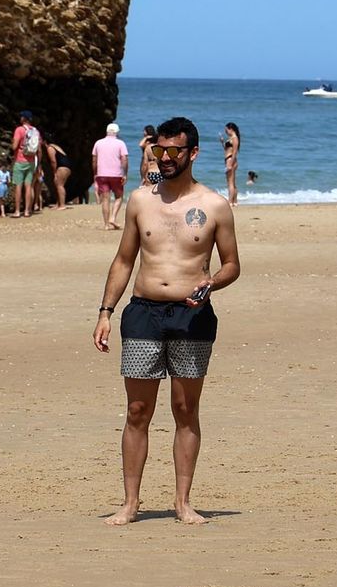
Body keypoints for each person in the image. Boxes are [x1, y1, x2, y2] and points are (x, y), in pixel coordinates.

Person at [93, 116, 242, 526]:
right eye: (160, 150)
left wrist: (210, 283)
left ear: (192, 153)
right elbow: (124, 260)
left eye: (174, 151)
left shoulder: (214, 205)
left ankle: (182, 502)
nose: (166, 157)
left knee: (184, 409)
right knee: (138, 410)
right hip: (143, 313)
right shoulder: (142, 200)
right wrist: (105, 311)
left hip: (192, 316)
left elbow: (232, 265)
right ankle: (129, 504)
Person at [90, 122, 129, 230]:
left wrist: (95, 173)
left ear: (106, 131)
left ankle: (106, 224)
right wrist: (125, 173)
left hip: (102, 174)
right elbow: (124, 159)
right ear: (117, 132)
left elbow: (94, 160)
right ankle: (113, 217)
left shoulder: (98, 143)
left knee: (105, 199)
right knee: (119, 196)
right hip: (116, 174)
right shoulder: (120, 143)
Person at [10, 110, 42, 217]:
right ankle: (27, 211)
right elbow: (39, 149)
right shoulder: (36, 131)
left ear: (24, 118)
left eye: (21, 117)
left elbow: (14, 147)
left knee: (18, 186)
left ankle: (18, 211)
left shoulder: (19, 129)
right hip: (32, 161)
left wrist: (13, 143)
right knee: (28, 186)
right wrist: (39, 164)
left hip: (20, 160)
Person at [45, 135, 73, 211]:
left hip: (62, 167)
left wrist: (54, 172)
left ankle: (62, 205)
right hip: (67, 167)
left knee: (60, 185)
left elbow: (53, 161)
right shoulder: (56, 146)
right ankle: (58, 204)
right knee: (58, 185)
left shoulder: (50, 148)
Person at [222, 122, 241, 205]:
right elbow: (227, 150)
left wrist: (230, 163)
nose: (226, 132)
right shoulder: (231, 138)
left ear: (231, 129)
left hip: (231, 160)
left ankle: (230, 201)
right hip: (229, 159)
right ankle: (234, 201)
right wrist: (222, 142)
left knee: (230, 182)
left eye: (226, 130)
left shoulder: (234, 138)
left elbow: (235, 152)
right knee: (232, 182)